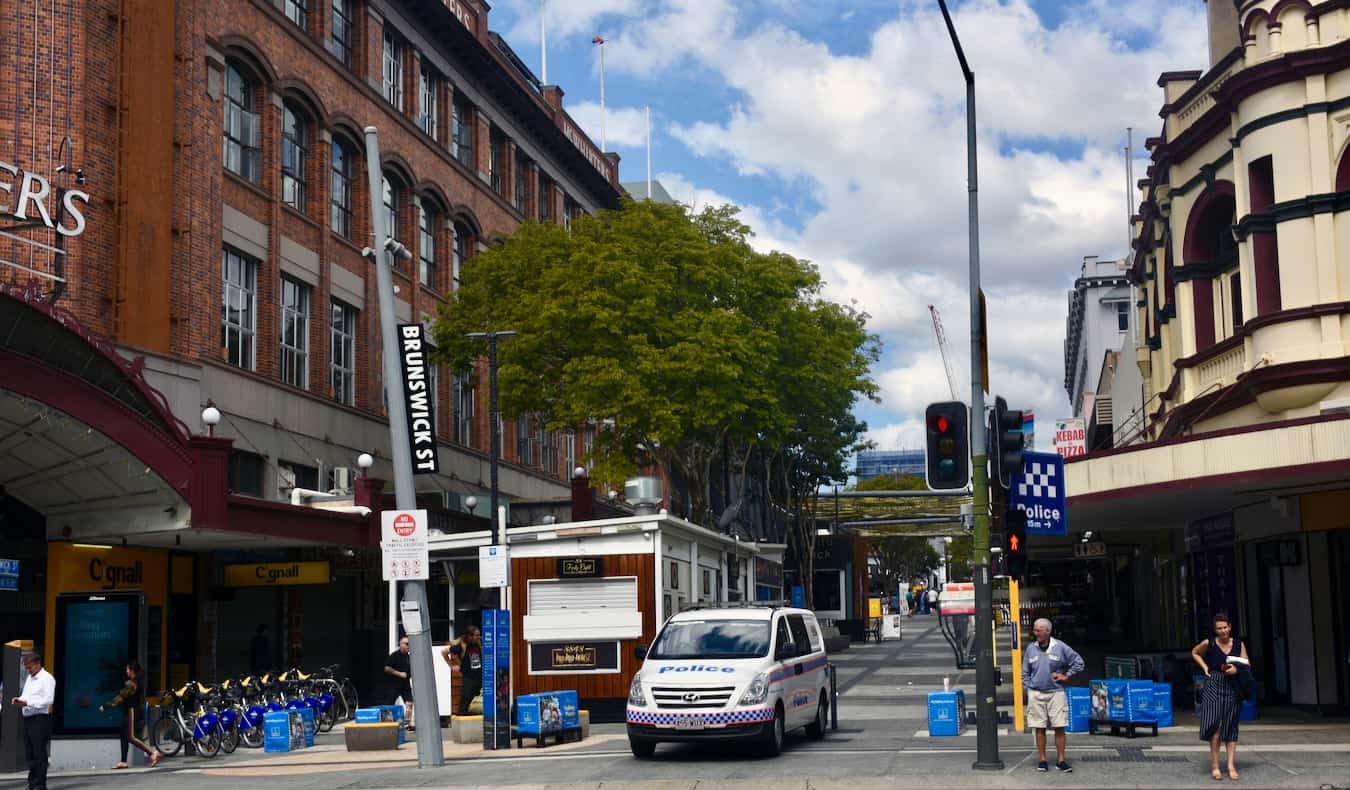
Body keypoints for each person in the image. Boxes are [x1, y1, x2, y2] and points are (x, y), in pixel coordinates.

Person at [1191, 612, 1249, 781]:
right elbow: (1194, 652)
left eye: (1225, 627)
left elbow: (1247, 664)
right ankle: (1215, 765)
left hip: (1233, 685)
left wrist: (1236, 670)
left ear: (1230, 627)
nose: (1223, 631)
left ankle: (1231, 765)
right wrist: (1205, 668)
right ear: (1215, 630)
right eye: (1219, 628)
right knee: (1215, 726)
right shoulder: (1209, 643)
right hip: (1214, 683)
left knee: (1231, 727)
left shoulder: (1239, 644)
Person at [1022, 617, 1085, 773]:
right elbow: (1025, 672)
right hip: (1036, 694)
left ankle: (1061, 760)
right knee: (1039, 727)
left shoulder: (1060, 647)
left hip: (1056, 693)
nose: (1035, 633)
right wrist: (1030, 688)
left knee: (1059, 727)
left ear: (1047, 631)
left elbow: (1079, 662)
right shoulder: (1031, 648)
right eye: (1034, 630)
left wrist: (1067, 675)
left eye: (1038, 630)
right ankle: (1042, 760)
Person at [98, 661, 159, 769]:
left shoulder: (131, 684)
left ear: (132, 671)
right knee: (123, 733)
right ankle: (123, 761)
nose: (126, 671)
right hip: (131, 710)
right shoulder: (136, 681)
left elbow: (120, 697)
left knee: (131, 736)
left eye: (127, 669)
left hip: (132, 710)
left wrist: (106, 706)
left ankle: (152, 753)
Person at [10, 652, 55, 790]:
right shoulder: (30, 678)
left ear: (37, 664)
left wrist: (27, 702)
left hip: (40, 719)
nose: (28, 670)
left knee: (39, 753)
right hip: (28, 719)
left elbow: (48, 700)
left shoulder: (47, 678)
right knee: (30, 753)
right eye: (26, 668)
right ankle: (32, 783)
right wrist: (19, 700)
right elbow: (26, 696)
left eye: (30, 667)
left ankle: (40, 785)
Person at [441, 625, 482, 716]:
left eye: (479, 635)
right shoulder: (461, 646)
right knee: (465, 701)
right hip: (468, 677)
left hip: (480, 676)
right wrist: (451, 666)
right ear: (470, 636)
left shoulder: (478, 643)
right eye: (476, 635)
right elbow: (444, 652)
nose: (478, 637)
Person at [384, 635, 414, 730]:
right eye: (406, 644)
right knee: (389, 705)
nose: (408, 646)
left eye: (409, 644)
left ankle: (406, 724)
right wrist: (399, 674)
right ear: (400, 644)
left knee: (409, 704)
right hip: (393, 684)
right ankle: (388, 724)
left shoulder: (409, 657)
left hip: (405, 685)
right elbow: (387, 668)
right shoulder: (394, 656)